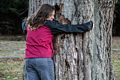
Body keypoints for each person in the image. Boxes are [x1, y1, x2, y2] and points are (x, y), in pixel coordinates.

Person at [24, 4, 93, 80]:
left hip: (29, 60)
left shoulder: (29, 24)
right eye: (51, 15)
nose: (53, 17)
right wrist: (85, 26)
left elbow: (23, 26)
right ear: (45, 14)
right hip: (43, 60)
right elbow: (66, 28)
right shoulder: (49, 25)